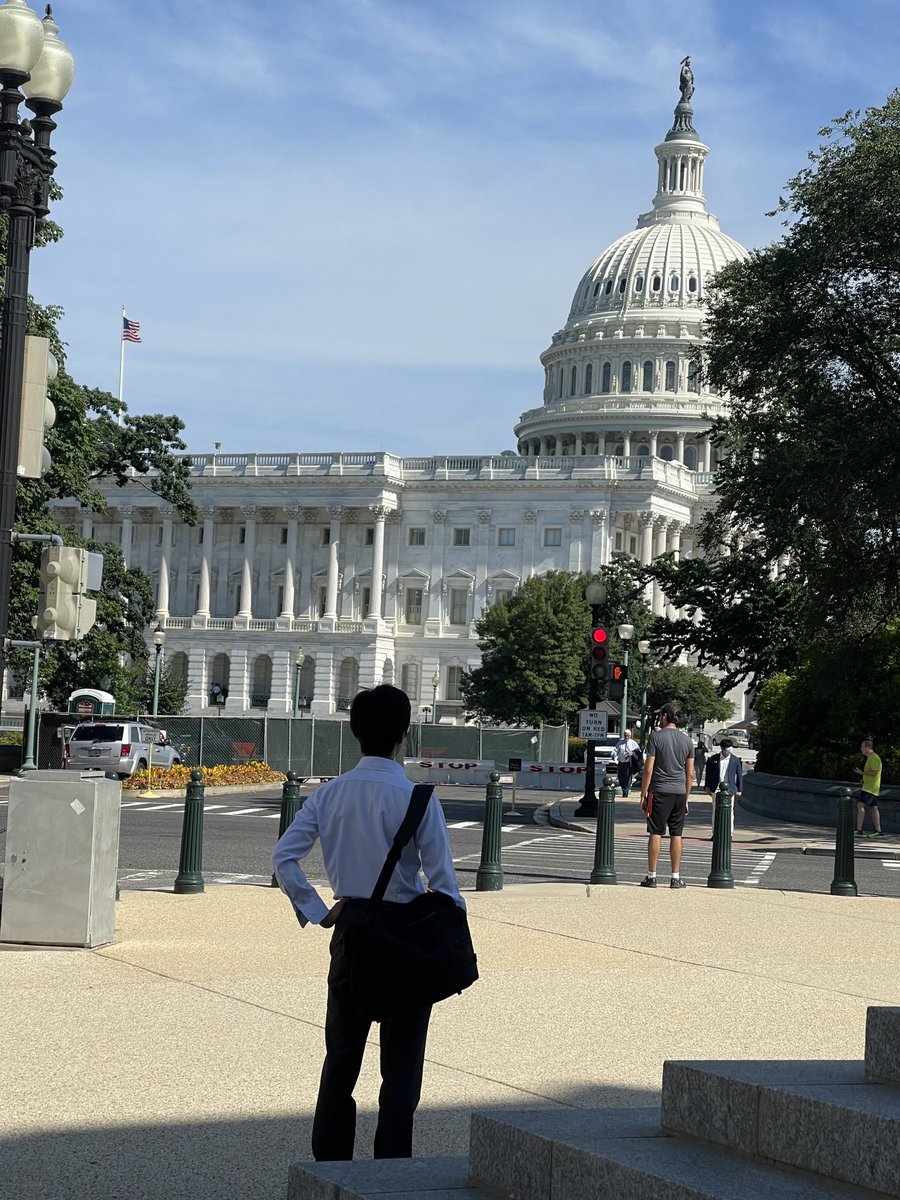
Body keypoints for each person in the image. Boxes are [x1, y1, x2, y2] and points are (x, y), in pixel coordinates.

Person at [272, 685, 464, 1162]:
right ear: (403, 735)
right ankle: (391, 1169)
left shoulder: (329, 793)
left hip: (352, 926)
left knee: (341, 1057)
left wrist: (318, 911)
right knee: (401, 1068)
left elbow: (284, 857)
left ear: (356, 733)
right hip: (405, 932)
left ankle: (330, 1165)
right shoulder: (418, 798)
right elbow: (445, 885)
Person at [639, 703, 694, 888]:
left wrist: (643, 793)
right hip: (679, 792)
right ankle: (675, 877)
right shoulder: (687, 741)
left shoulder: (656, 737)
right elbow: (690, 773)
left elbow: (648, 768)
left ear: (664, 716)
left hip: (660, 790)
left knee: (655, 832)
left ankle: (652, 876)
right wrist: (686, 797)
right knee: (676, 834)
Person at [704, 738, 743, 837]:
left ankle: (729, 833)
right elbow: (709, 773)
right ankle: (715, 833)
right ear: (721, 748)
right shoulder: (714, 759)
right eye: (726, 748)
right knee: (715, 810)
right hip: (716, 788)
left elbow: (739, 775)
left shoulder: (735, 760)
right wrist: (707, 786)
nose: (728, 750)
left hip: (730, 789)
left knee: (730, 811)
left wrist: (739, 789)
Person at [854, 738, 883, 839]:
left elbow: (874, 772)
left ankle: (859, 830)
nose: (861, 749)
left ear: (867, 747)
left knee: (860, 805)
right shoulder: (871, 757)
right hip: (870, 787)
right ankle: (878, 831)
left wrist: (862, 773)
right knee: (873, 807)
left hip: (870, 788)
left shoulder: (874, 758)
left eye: (862, 747)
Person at [614, 727, 641, 798]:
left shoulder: (633, 743)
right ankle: (624, 789)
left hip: (629, 763)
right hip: (621, 763)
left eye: (628, 735)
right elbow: (615, 750)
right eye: (626, 735)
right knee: (621, 778)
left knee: (628, 778)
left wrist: (632, 753)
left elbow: (638, 752)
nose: (627, 737)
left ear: (630, 735)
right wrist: (613, 756)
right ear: (624, 735)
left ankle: (625, 792)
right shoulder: (620, 743)